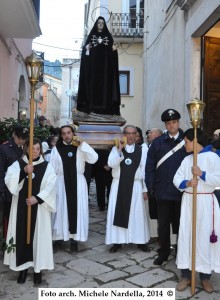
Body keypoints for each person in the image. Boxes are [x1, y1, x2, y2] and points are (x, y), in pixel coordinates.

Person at [3, 138, 56, 285]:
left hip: (39, 209)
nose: (35, 152)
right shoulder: (18, 164)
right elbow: (9, 181)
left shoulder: (47, 167)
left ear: (41, 150)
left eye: (38, 149)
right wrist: (23, 171)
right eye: (32, 148)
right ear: (26, 149)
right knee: (21, 235)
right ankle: (23, 269)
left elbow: (51, 186)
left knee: (38, 237)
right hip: (20, 207)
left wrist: (37, 198)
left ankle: (38, 271)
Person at [173, 128, 220, 294]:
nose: (184, 144)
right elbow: (176, 178)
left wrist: (202, 174)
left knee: (203, 237)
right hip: (189, 202)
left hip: (206, 202)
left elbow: (219, 178)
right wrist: (186, 183)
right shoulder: (186, 160)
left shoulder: (213, 157)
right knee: (187, 236)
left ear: (194, 140)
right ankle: (186, 275)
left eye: (186, 141)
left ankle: (205, 277)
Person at [146, 109, 187, 265]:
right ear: (165, 124)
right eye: (168, 123)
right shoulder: (158, 143)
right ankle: (163, 252)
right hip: (162, 191)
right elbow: (150, 166)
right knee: (163, 226)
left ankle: (181, 253)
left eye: (174, 122)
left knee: (180, 225)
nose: (172, 125)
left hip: (182, 192)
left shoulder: (187, 141)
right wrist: (151, 186)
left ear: (178, 122)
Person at [50, 125, 98, 252]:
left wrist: (83, 144)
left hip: (78, 183)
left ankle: (74, 240)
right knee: (60, 210)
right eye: (64, 133)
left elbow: (94, 159)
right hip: (61, 183)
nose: (67, 135)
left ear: (73, 133)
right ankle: (58, 237)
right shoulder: (56, 149)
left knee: (77, 210)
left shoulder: (80, 147)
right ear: (61, 135)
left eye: (69, 133)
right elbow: (52, 169)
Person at [105, 125, 150, 253]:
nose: (130, 136)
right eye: (128, 133)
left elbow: (144, 170)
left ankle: (140, 241)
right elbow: (111, 164)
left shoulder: (142, 150)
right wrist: (120, 150)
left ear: (136, 135)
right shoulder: (115, 149)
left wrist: (145, 189)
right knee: (117, 212)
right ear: (123, 135)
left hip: (136, 185)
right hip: (118, 185)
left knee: (137, 214)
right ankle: (117, 242)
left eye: (133, 133)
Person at [77, 16, 121, 115]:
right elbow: (86, 54)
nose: (100, 24)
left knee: (106, 89)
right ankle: (91, 108)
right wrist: (87, 48)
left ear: (104, 24)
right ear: (96, 24)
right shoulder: (91, 35)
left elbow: (112, 55)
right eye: (99, 23)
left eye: (102, 23)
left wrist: (113, 51)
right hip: (93, 70)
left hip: (105, 71)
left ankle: (106, 109)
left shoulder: (108, 37)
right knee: (92, 87)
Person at [0, 126, 29, 240]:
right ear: (14, 135)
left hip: (22, 189)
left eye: (24, 138)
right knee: (5, 219)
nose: (22, 140)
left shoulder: (27, 147)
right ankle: (5, 245)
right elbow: (1, 170)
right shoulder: (4, 148)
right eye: (20, 138)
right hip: (8, 189)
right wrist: (1, 190)